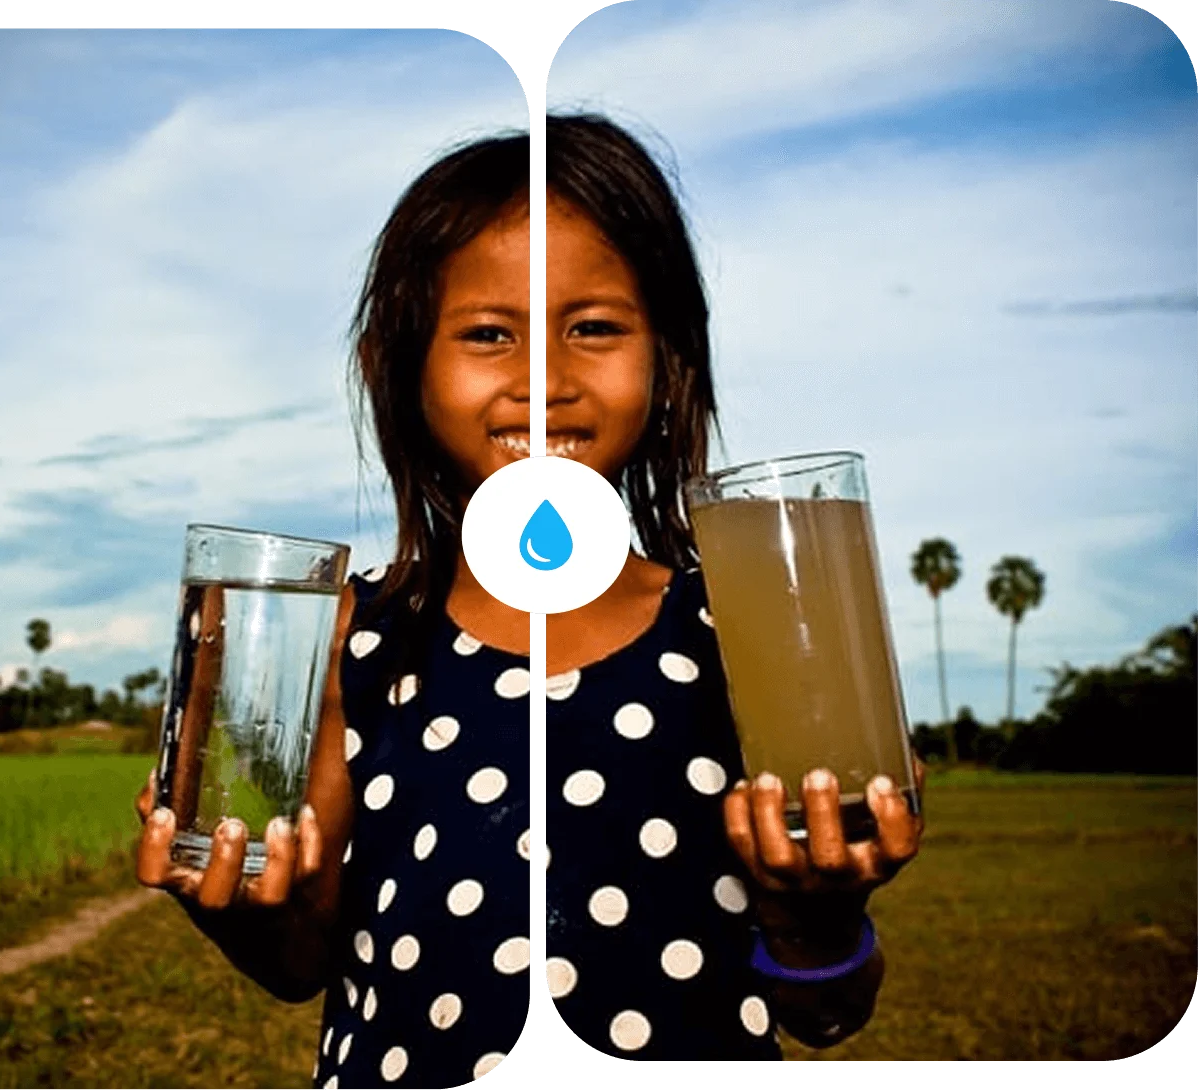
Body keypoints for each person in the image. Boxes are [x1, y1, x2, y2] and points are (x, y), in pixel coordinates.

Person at [134, 112, 925, 1087]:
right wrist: (241, 906)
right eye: (487, 334)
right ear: (406, 369)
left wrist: (820, 923)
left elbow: (829, 1014)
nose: (543, 379)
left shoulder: (740, 631)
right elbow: (301, 964)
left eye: (593, 328)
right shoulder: (351, 639)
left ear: (668, 363)